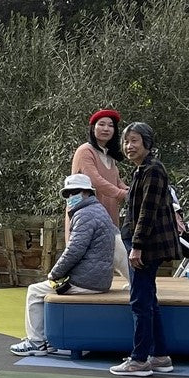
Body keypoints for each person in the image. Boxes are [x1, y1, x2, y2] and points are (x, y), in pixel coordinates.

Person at [10, 173, 117, 356]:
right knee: (46, 291)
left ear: (86, 192)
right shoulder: (99, 210)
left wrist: (54, 273)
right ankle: (46, 340)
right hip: (99, 278)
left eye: (74, 192)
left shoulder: (84, 215)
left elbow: (74, 250)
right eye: (67, 193)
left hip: (86, 281)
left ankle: (37, 343)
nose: (70, 197)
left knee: (35, 292)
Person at [110, 121, 179, 377]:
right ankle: (160, 355)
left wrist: (136, 247)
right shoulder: (142, 169)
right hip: (143, 244)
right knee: (149, 301)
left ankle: (139, 360)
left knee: (140, 302)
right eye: (127, 141)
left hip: (147, 247)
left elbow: (146, 213)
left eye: (135, 140)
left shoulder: (152, 171)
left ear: (147, 144)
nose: (129, 146)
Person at [69, 108, 128, 281]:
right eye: (101, 124)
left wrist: (133, 191)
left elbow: (117, 182)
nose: (106, 129)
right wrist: (122, 194)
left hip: (108, 212)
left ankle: (123, 288)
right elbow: (94, 180)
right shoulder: (85, 151)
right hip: (88, 215)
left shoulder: (109, 156)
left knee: (111, 255)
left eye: (110, 125)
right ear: (93, 128)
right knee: (87, 255)